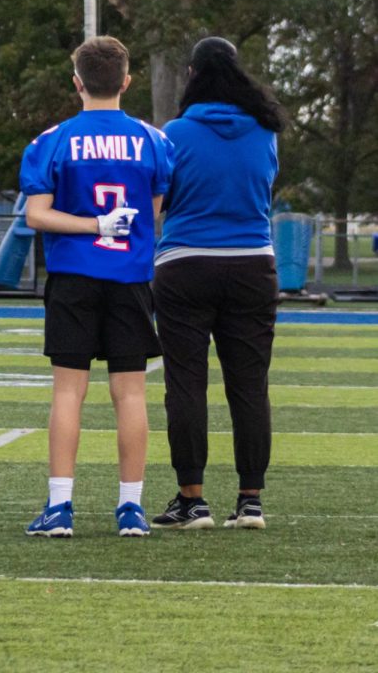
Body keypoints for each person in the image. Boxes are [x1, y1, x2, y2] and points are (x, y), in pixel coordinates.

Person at [20, 35, 174, 538]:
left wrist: (90, 226)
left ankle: (60, 505)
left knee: (69, 391)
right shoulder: (154, 141)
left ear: (77, 82)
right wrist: (112, 228)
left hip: (74, 277)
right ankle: (131, 506)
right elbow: (150, 217)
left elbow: (37, 215)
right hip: (129, 277)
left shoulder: (53, 140)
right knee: (130, 394)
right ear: (126, 82)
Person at [151, 36, 284, 531]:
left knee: (186, 383)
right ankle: (250, 499)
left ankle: (193, 499)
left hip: (186, 263)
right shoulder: (265, 130)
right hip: (253, 263)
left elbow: (163, 202)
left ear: (191, 75)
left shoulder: (176, 133)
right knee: (250, 386)